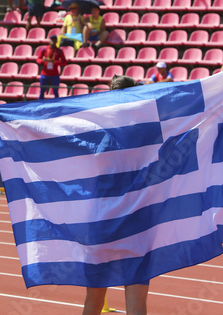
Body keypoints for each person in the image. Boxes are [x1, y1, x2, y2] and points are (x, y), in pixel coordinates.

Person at [82, 75, 150, 315]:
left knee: (94, 298)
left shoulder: (96, 131)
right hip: (137, 218)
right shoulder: (146, 131)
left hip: (102, 218)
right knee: (136, 300)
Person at [36, 34, 68, 99]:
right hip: (45, 74)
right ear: (49, 41)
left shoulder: (59, 51)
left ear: (56, 41)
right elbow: (38, 60)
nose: (53, 41)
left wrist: (55, 62)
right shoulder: (44, 49)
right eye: (52, 39)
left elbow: (64, 62)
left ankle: (57, 105)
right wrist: (43, 60)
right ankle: (39, 104)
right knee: (42, 92)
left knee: (56, 92)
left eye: (54, 40)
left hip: (55, 74)